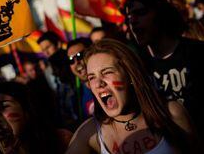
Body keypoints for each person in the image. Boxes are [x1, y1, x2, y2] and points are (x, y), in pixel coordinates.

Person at [67, 39, 200, 154]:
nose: (98, 83)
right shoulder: (90, 132)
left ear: (130, 75)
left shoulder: (172, 113)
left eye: (107, 72)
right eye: (92, 77)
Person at [122, 0, 204, 140]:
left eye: (141, 13)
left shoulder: (197, 53)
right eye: (129, 17)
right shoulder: (136, 67)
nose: (133, 21)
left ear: (160, 14)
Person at [37, 31, 78, 129]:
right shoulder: (48, 69)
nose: (46, 52)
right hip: (67, 118)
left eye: (48, 47)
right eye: (43, 50)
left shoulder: (71, 60)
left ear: (58, 44)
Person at [65, 38, 94, 118]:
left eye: (80, 55)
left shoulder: (108, 82)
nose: (76, 62)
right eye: (71, 60)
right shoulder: (75, 96)